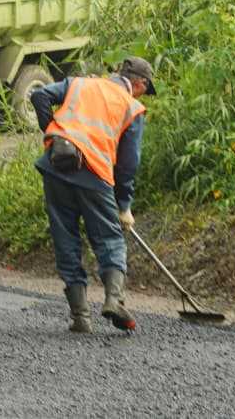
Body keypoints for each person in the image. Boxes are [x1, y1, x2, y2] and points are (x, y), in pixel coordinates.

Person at [31, 56, 155, 334]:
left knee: (66, 238)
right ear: (139, 83)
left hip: (56, 165)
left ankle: (80, 317)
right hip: (94, 174)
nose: (144, 94)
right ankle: (114, 299)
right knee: (110, 239)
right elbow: (128, 164)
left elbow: (39, 94)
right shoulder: (131, 107)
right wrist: (124, 205)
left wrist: (53, 133)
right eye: (146, 89)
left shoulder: (79, 84)